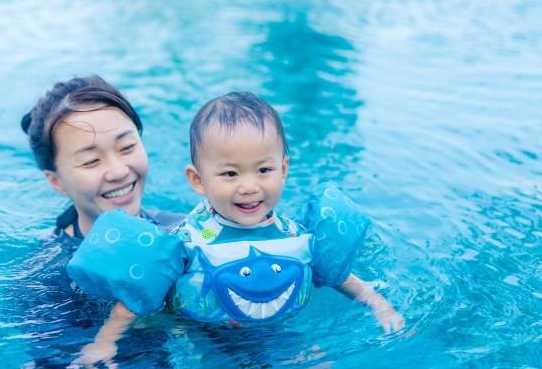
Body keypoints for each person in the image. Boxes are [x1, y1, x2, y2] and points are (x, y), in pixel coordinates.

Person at [71, 92, 404, 332]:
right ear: (198, 180)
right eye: (230, 174)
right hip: (206, 337)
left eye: (264, 170)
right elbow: (140, 293)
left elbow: (339, 276)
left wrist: (379, 305)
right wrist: (106, 342)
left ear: (284, 170)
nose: (249, 186)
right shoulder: (186, 241)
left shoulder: (293, 234)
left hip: (276, 330)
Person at [10, 75, 184, 369]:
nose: (118, 171)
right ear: (56, 181)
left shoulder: (184, 231)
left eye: (127, 147)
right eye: (91, 161)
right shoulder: (45, 282)